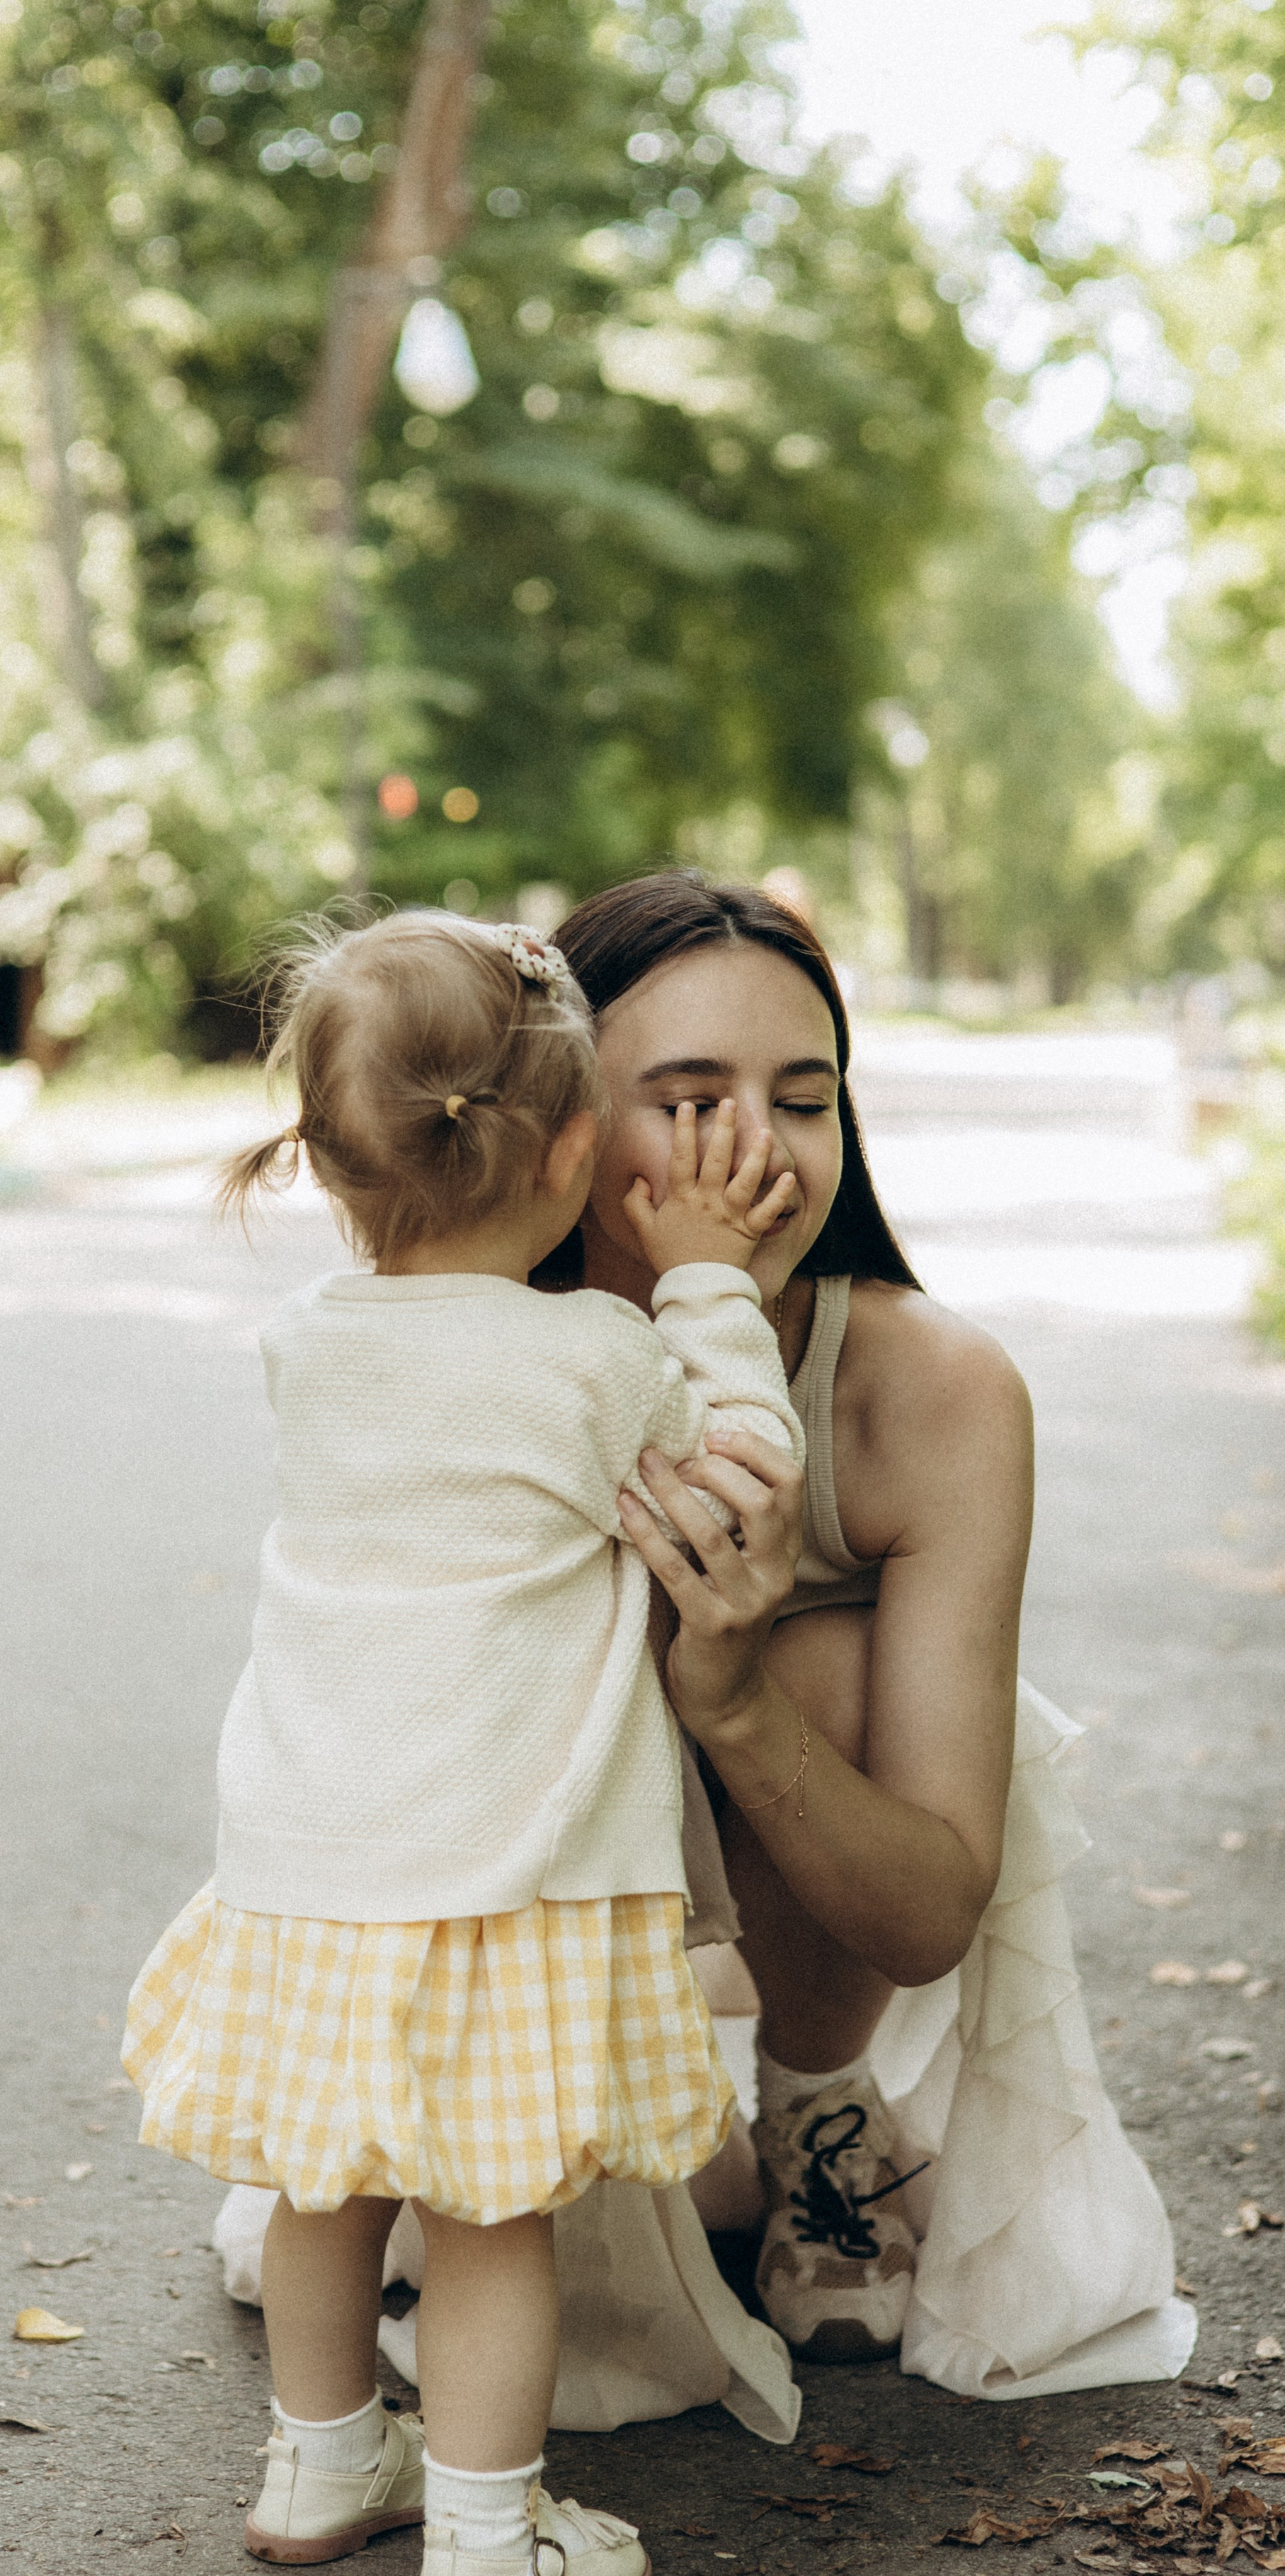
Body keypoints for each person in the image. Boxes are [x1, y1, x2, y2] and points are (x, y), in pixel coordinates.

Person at [122, 908, 806, 2576]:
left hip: (304, 1861)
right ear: (578, 1151)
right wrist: (711, 1286)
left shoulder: (307, 1348)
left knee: (322, 2185)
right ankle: (492, 2549)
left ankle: (319, 2466)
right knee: (487, 2216)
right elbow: (740, 1475)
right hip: (500, 1876)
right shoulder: (589, 1362)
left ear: (333, 1166)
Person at [503, 872, 1190, 2415]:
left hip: (820, 1853)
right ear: (557, 1119)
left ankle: (814, 2105)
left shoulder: (930, 1391)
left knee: (815, 1661)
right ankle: (548, 2127)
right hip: (516, 1867)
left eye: (801, 1099)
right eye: (685, 1102)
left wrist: (735, 1696)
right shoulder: (478, 1357)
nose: (753, 1153)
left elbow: (930, 1906)